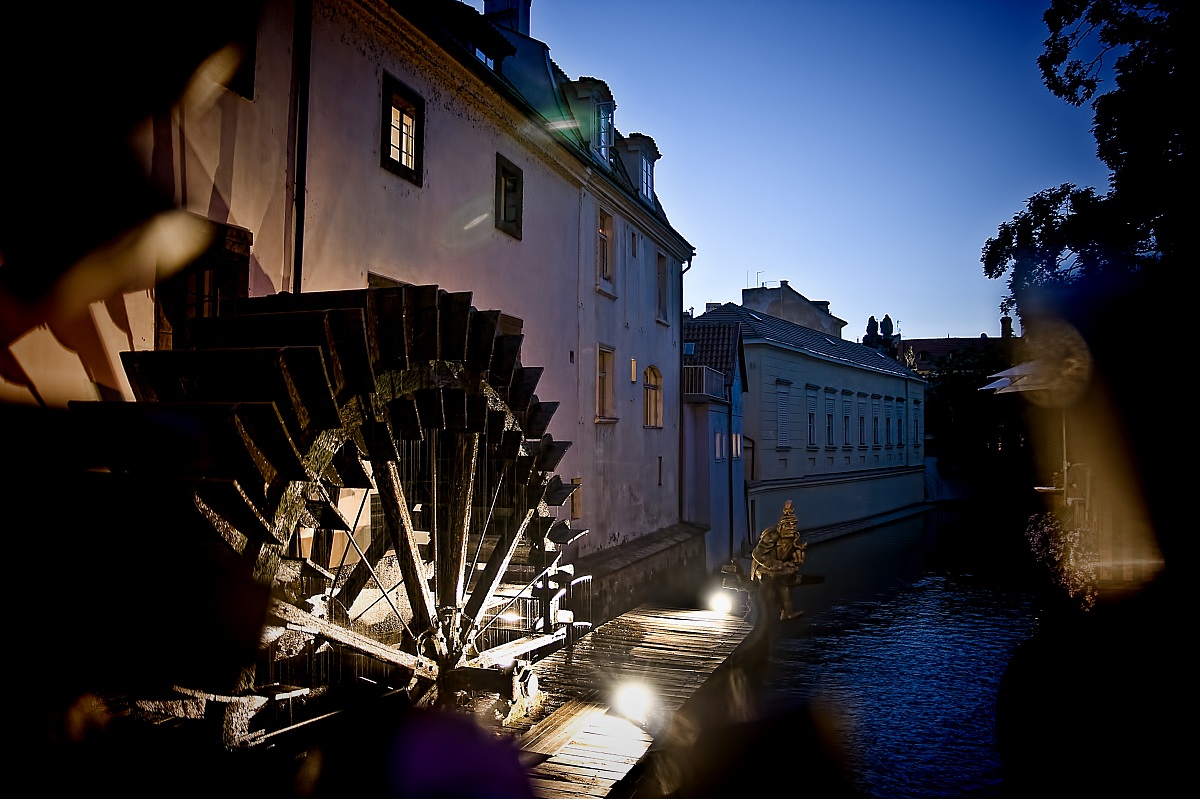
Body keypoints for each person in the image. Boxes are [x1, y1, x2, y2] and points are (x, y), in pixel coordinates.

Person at [750, 500, 806, 620]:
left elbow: (788, 558)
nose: (791, 528)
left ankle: (787, 611)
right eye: (788, 525)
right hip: (762, 568)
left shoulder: (791, 541)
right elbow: (757, 554)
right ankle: (759, 612)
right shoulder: (773, 535)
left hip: (777, 569)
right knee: (778, 579)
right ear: (781, 526)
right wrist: (778, 564)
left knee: (785, 580)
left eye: (793, 526)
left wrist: (795, 561)